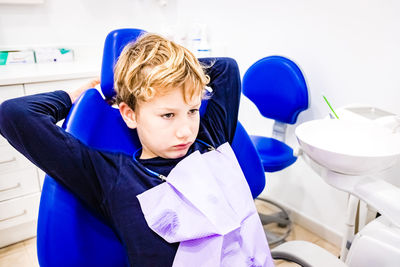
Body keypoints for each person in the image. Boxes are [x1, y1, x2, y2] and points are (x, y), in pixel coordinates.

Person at [0, 33, 243, 266]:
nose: (186, 131)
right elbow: (14, 114)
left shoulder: (210, 140)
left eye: (192, 111)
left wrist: (167, 65)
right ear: (130, 114)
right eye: (168, 115)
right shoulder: (112, 176)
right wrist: (73, 95)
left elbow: (227, 68)